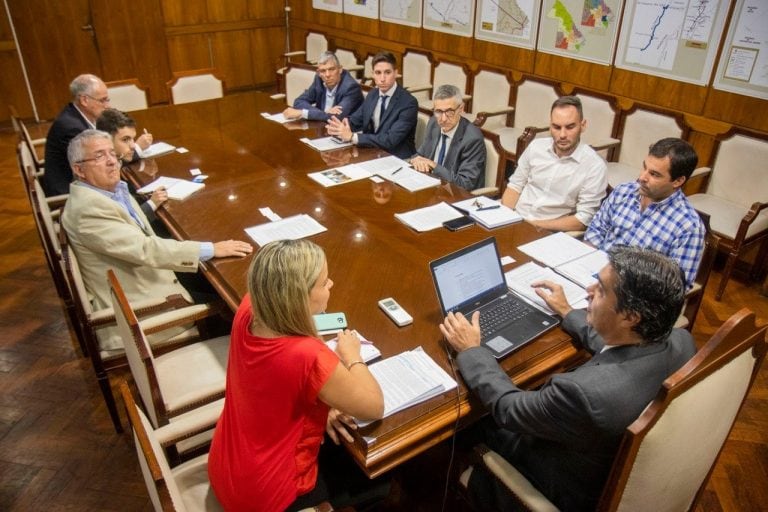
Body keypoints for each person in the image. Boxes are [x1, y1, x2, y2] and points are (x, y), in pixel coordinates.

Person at [441, 245, 696, 511]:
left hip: (558, 482)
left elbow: (509, 409)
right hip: (601, 455)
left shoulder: (583, 394)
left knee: (466, 421)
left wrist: (472, 350)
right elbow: (623, 350)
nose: (588, 291)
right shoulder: (680, 342)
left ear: (631, 316)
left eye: (601, 290)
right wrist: (567, 311)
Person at [208, 239, 385, 511]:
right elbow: (374, 407)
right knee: (377, 476)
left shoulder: (249, 307)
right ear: (299, 296)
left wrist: (323, 406)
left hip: (228, 462)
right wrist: (352, 356)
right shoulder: (308, 356)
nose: (331, 285)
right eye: (324, 282)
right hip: (267, 494)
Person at [61, 130, 252, 351]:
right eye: (99, 156)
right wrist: (212, 248)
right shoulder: (88, 210)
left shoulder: (106, 191)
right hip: (144, 309)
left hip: (149, 277)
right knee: (238, 305)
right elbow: (146, 249)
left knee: (215, 278)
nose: (112, 161)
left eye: (112, 153)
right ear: (78, 169)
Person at [585, 137, 705, 289]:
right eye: (644, 167)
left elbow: (676, 287)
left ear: (678, 181)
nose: (642, 177)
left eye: (654, 174)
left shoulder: (689, 227)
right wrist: (583, 266)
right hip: (594, 274)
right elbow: (596, 230)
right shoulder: (624, 191)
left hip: (633, 295)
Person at [501, 95, 607, 231]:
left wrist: (533, 225)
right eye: (556, 127)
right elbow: (515, 186)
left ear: (583, 125)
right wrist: (505, 218)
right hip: (514, 219)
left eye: (570, 127)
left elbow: (582, 219)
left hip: (547, 231)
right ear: (550, 126)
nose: (562, 135)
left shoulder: (594, 167)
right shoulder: (536, 147)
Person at [42, 74, 153, 197]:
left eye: (107, 100)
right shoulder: (73, 128)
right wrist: (137, 148)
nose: (107, 105)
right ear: (84, 100)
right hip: (70, 193)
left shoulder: (77, 116)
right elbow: (100, 168)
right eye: (103, 100)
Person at [326, 52, 417, 159]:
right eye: (378, 73)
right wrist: (338, 128)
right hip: (372, 153)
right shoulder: (373, 94)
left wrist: (352, 136)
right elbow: (355, 120)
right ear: (373, 74)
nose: (382, 78)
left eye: (387, 72)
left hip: (397, 158)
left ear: (396, 73)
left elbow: (390, 140)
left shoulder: (408, 102)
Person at [410, 84, 486, 191]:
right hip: (430, 187)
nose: (443, 119)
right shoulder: (433, 123)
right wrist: (416, 160)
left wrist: (434, 165)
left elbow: (465, 184)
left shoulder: (472, 139)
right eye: (438, 112)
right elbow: (420, 154)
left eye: (449, 112)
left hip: (455, 195)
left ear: (461, 109)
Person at [96, 108, 167, 216]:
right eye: (125, 140)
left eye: (133, 139)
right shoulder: (102, 175)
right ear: (106, 141)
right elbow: (124, 220)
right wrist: (152, 204)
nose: (133, 145)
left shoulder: (115, 160)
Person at [282, 51, 363, 122]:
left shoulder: (351, 87)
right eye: (323, 71)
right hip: (321, 126)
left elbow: (336, 118)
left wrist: (302, 113)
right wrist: (324, 113)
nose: (327, 75)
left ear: (340, 69)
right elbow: (299, 101)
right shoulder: (319, 79)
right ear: (319, 72)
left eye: (331, 69)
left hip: (344, 132)